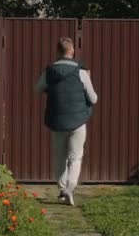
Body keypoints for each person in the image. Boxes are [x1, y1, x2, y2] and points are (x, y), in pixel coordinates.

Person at [35, 37, 98, 205]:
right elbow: (94, 99)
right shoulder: (82, 72)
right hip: (78, 121)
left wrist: (52, 89)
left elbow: (38, 89)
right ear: (72, 51)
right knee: (75, 157)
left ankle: (63, 189)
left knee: (59, 157)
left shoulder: (49, 71)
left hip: (56, 120)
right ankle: (70, 189)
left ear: (57, 51)